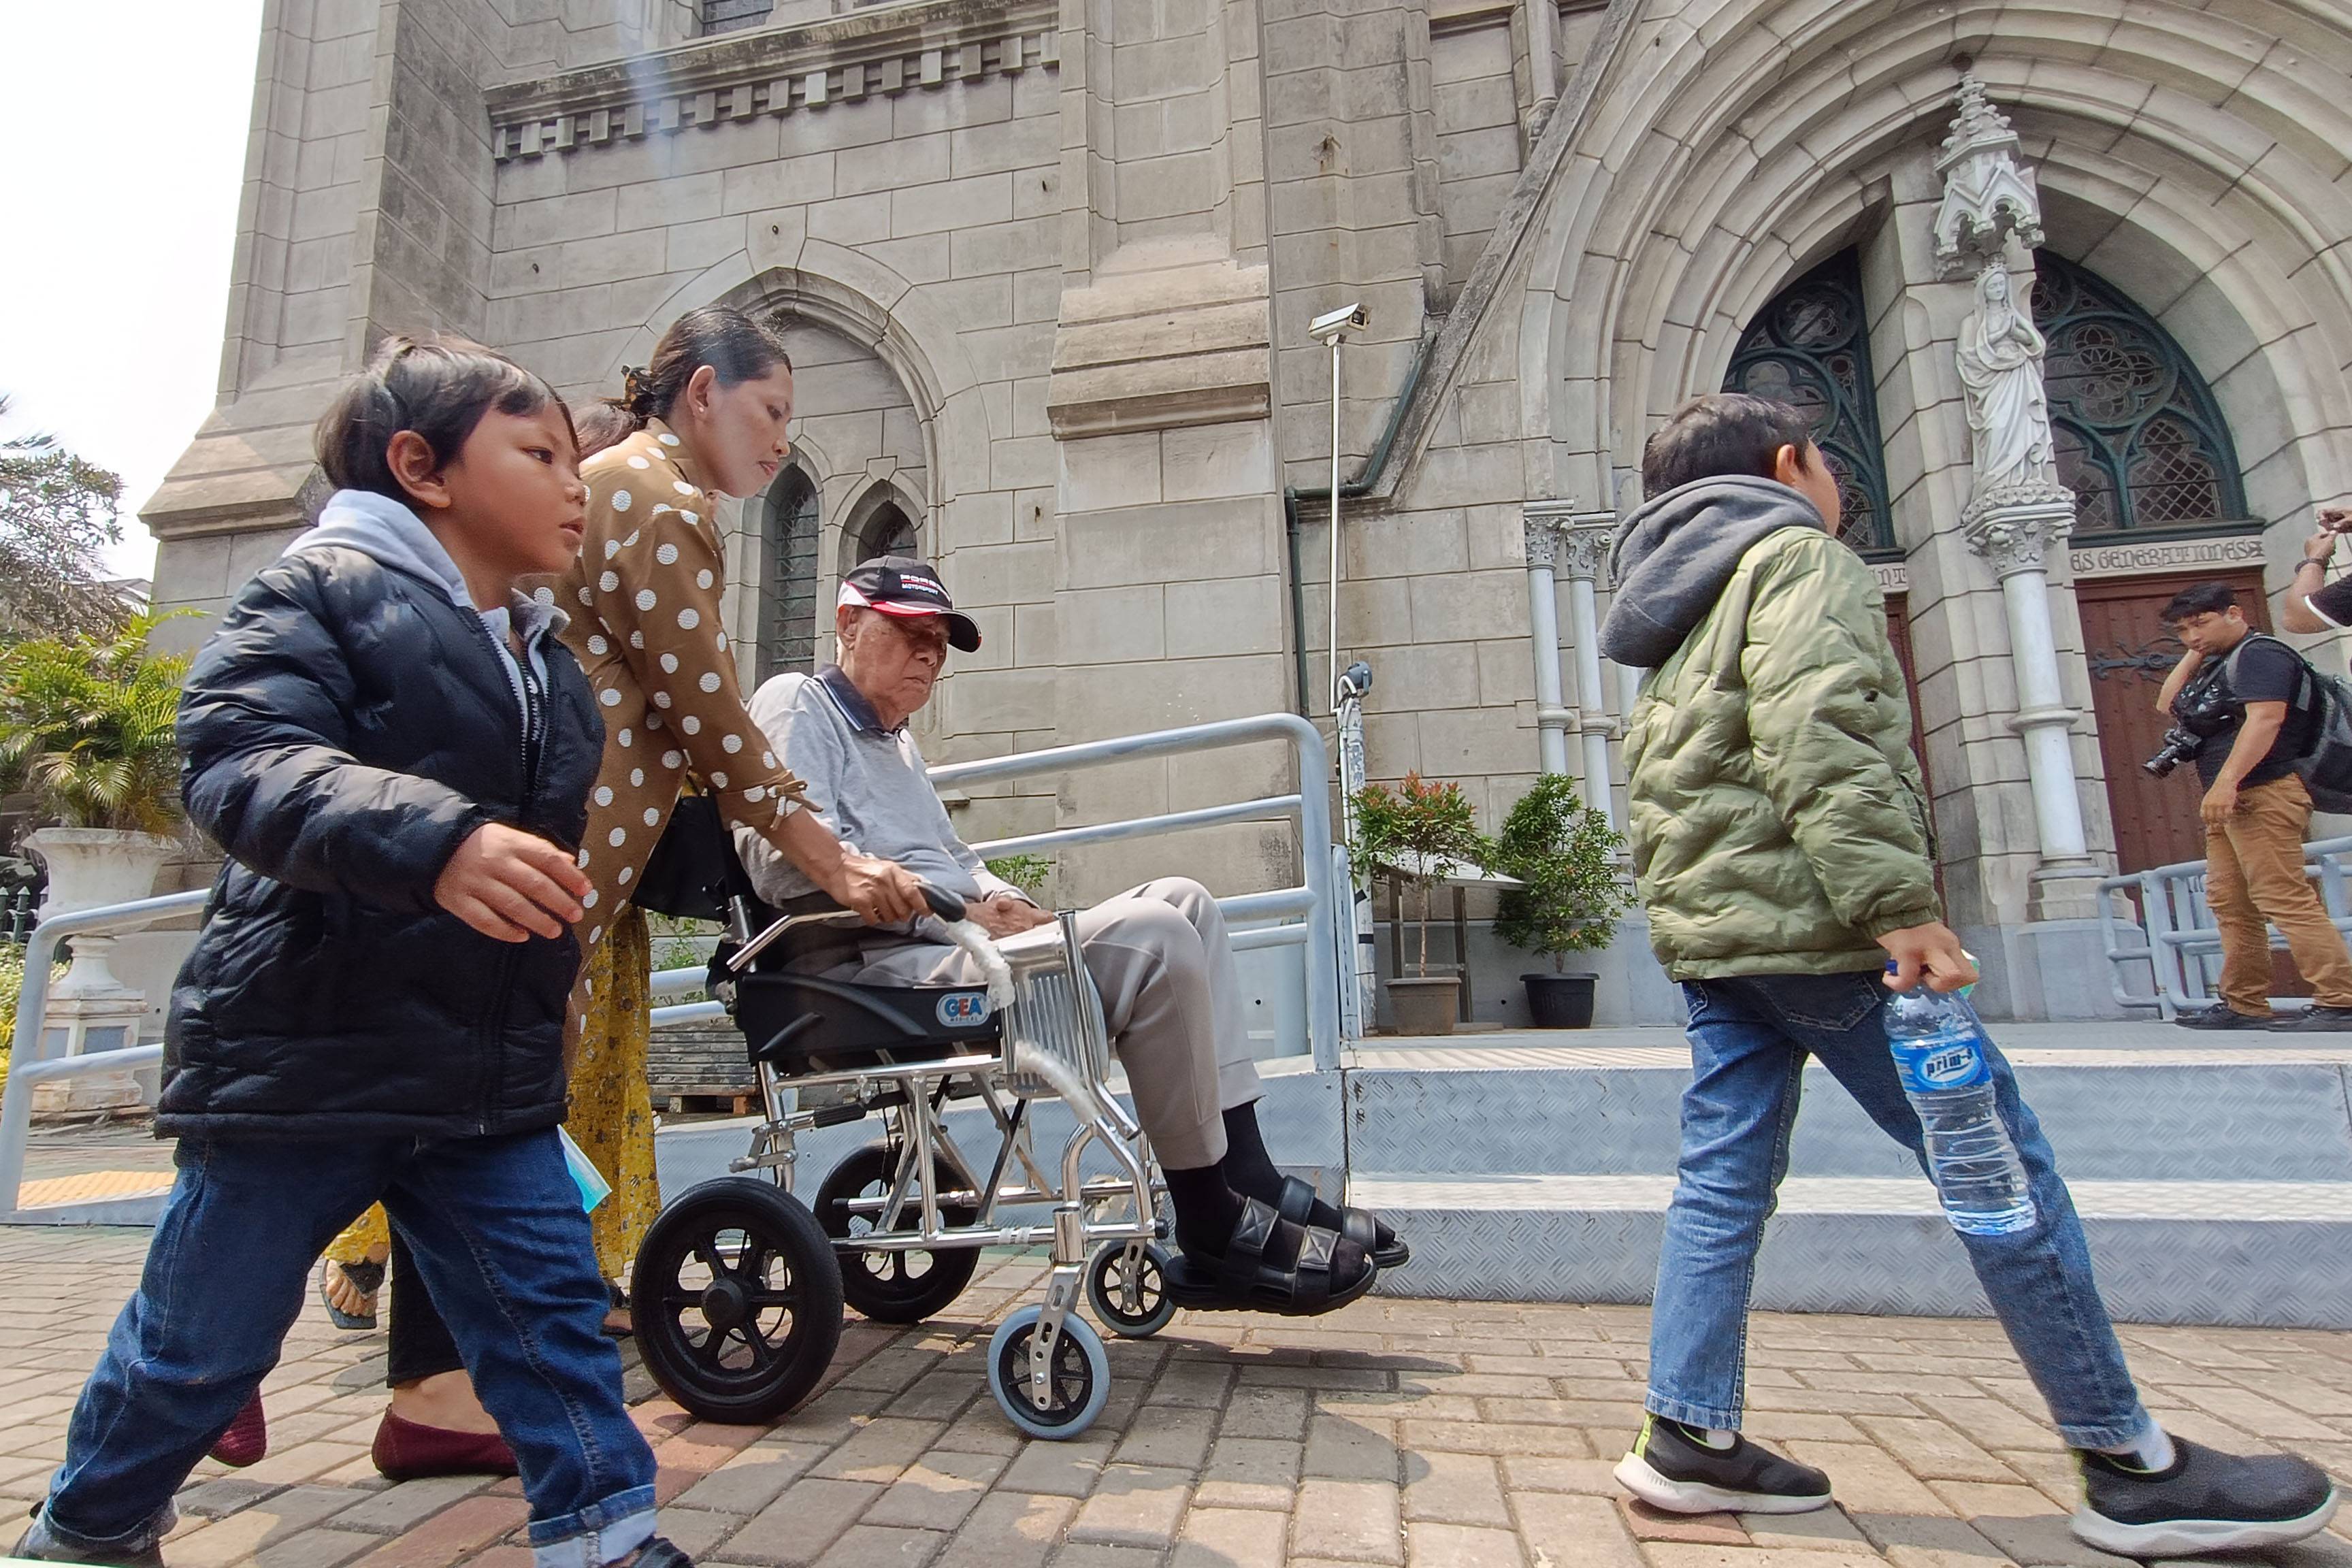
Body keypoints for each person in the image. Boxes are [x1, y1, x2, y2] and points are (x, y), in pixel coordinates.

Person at [1595, 391, 2338, 1556]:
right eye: (1829, 462)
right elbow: (1821, 725)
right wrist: (1898, 906)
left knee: (1723, 1180)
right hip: (1831, 940)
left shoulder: (1678, 604)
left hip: (1721, 944)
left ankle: (1687, 1431)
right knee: (1999, 1160)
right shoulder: (1795, 556)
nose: (1838, 485)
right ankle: (2124, 1457)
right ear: (1790, 463)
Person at [16, 337, 694, 1568]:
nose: (574, 478)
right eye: (538, 451)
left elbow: (534, 868)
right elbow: (238, 758)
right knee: (201, 1341)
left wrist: (555, 978)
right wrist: (437, 840)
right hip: (305, 1062)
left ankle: (610, 1535)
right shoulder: (319, 589)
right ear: (420, 466)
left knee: (550, 1323)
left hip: (481, 1079)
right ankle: (89, 1526)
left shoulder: (548, 660)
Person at [299, 306, 933, 1482]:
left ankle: (443, 1390)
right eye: (771, 411)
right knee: (450, 1117)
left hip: (556, 874)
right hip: (545, 861)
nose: (784, 442)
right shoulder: (657, 496)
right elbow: (711, 722)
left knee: (474, 1113)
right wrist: (836, 861)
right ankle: (230, 1373)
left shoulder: (639, 496)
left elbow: (685, 722)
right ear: (701, 396)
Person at [735, 557, 1407, 1312]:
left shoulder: (898, 744)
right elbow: (780, 863)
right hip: (878, 970)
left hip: (954, 946)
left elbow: (957, 860)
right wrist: (951, 911)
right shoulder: (797, 703)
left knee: (1188, 902)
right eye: (909, 632)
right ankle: (1211, 1221)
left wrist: (1003, 899)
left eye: (940, 640)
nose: (930, 652)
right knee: (1154, 934)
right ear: (847, 625)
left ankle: (1245, 1170)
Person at [2154, 580, 2352, 1030]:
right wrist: (2199, 649)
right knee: (2231, 902)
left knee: (2282, 896)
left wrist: (2227, 783)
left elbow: (2266, 719)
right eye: (2183, 630)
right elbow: (2167, 703)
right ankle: (2243, 1001)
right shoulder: (2217, 660)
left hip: (2263, 790)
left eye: (2201, 624)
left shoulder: (2262, 654)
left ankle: (2341, 998)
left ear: (2235, 613)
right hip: (2232, 799)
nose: (2192, 636)